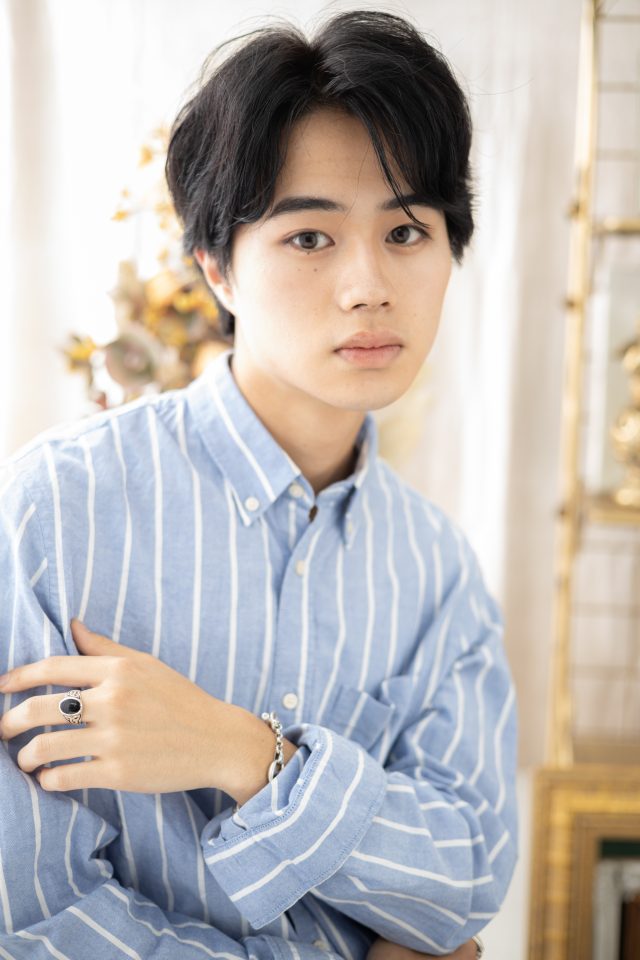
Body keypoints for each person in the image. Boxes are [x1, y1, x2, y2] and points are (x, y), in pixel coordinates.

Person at [0, 9, 517, 959]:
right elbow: (33, 919)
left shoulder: (437, 570)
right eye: (310, 238)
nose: (368, 285)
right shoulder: (54, 515)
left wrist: (244, 754)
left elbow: (468, 880)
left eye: (407, 231)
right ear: (217, 269)